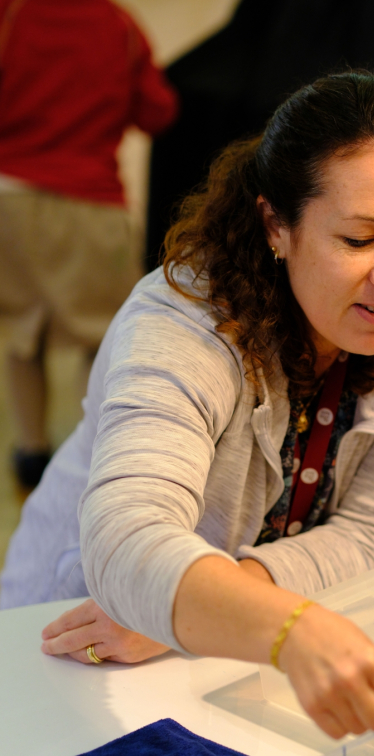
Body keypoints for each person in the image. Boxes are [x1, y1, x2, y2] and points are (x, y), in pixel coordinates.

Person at [1, 72, 374, 741]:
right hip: (83, 637)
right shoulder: (181, 324)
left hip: (227, 650)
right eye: (359, 238)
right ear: (275, 226)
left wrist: (236, 605)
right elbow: (126, 538)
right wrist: (288, 627)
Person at [0, 0, 179, 487]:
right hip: (92, 204)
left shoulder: (12, 13)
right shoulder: (117, 25)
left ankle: (30, 455)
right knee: (100, 338)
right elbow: (157, 111)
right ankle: (92, 453)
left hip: (9, 199)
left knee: (22, 336)